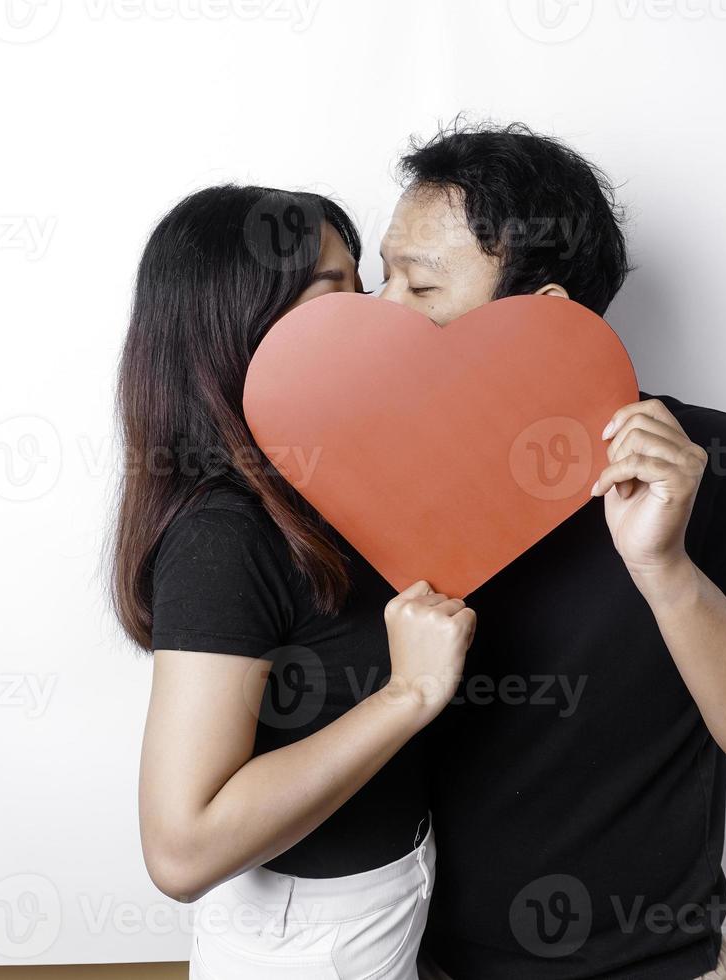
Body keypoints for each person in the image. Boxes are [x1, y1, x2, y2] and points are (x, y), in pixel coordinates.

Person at [375, 123, 726, 980]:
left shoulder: (715, 466)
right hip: (417, 965)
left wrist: (664, 570)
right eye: (382, 279)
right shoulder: (364, 476)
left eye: (420, 286)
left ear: (541, 317)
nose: (383, 315)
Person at [110, 184, 476, 979]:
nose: (378, 309)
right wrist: (406, 696)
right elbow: (182, 847)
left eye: (366, 281)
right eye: (334, 291)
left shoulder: (331, 482)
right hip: (310, 945)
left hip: (398, 900)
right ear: (240, 322)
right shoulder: (225, 533)